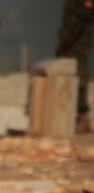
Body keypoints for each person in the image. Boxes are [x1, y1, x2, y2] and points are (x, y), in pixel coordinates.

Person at [56, 0, 94, 133]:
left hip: (77, 46)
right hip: (69, 45)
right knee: (70, 81)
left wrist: (65, 45)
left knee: (80, 80)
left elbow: (83, 20)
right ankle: (74, 118)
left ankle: (82, 117)